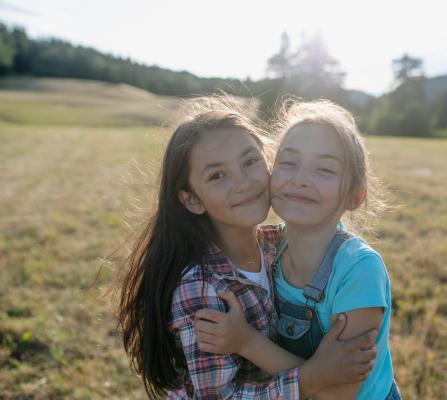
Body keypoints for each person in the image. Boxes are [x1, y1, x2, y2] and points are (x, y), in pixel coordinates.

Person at [95, 96, 378, 400]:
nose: (243, 183)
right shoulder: (201, 290)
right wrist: (312, 377)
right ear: (193, 199)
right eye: (217, 175)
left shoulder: (278, 245)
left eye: (250, 162)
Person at [194, 100, 401, 400]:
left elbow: (337, 393)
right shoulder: (267, 249)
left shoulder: (358, 270)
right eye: (288, 163)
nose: (300, 179)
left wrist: (246, 342)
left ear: (355, 197)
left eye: (325, 169)